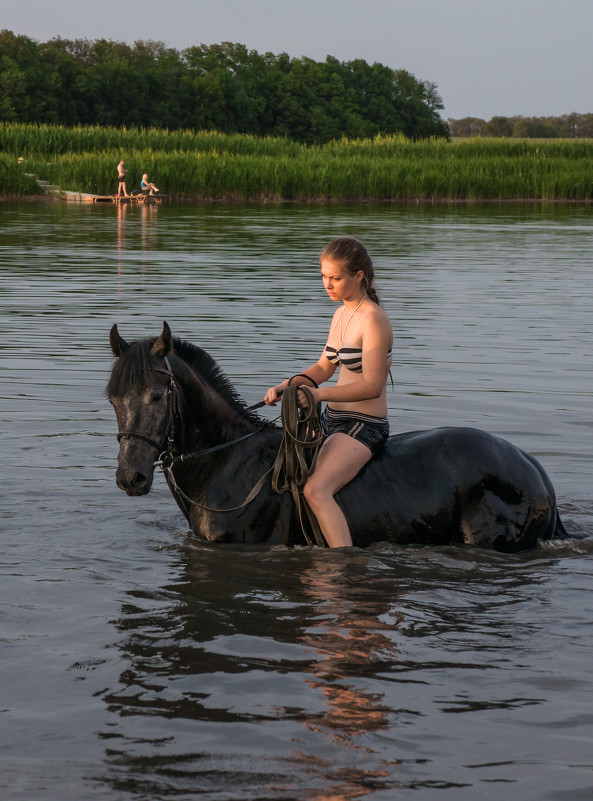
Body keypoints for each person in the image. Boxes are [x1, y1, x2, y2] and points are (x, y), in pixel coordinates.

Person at [265, 237, 393, 548]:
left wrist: (319, 396)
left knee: (315, 489)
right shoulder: (341, 314)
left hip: (364, 426)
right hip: (331, 420)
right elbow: (324, 367)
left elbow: (372, 385)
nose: (328, 284)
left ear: (358, 276)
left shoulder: (373, 319)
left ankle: (343, 567)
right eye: (324, 277)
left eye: (335, 278)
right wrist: (289, 385)